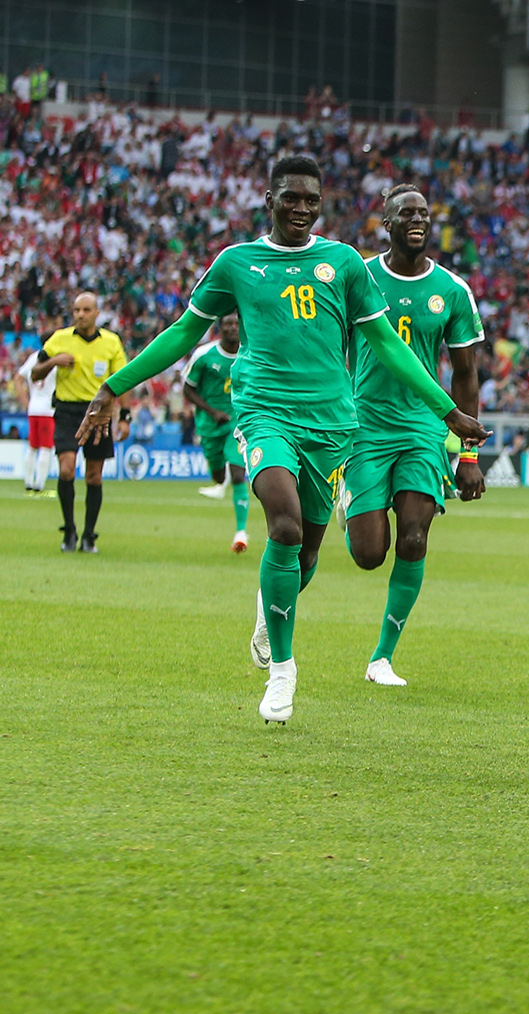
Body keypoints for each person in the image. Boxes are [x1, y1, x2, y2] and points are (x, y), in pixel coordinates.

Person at [78, 155, 487, 724]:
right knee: (286, 527)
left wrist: (448, 412)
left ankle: (269, 608)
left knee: (308, 552)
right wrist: (113, 387)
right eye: (290, 198)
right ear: (269, 202)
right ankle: (283, 672)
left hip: (332, 424)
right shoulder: (236, 263)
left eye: (310, 200)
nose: (300, 208)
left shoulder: (343, 263)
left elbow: (388, 346)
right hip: (265, 413)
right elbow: (182, 333)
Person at [341, 185, 489, 688]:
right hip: (364, 424)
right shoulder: (358, 276)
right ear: (387, 223)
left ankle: (382, 657)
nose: (418, 220)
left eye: (424, 213)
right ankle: (350, 500)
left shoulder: (452, 290)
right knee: (368, 554)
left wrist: (468, 456)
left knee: (414, 537)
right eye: (406, 213)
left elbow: (465, 375)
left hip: (424, 428)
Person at [33, 292, 127, 552]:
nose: (80, 315)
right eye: (76, 310)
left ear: (97, 313)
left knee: (94, 476)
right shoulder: (59, 339)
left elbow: (123, 379)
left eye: (86, 310)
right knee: (66, 469)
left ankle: (88, 536)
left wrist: (125, 416)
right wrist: (54, 361)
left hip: (98, 412)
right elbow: (35, 373)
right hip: (67, 411)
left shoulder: (111, 342)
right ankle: (69, 532)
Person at [180, 314, 251, 551]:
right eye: (228, 323)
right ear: (219, 327)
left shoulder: (251, 353)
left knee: (238, 474)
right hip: (210, 424)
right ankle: (220, 479)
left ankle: (241, 533)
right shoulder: (204, 355)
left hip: (238, 422)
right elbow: (188, 389)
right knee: (218, 475)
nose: (232, 328)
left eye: (236, 323)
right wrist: (212, 412)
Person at [17, 339, 57, 498]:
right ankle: (39, 486)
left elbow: (18, 378)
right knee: (46, 448)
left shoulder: (33, 357)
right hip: (48, 409)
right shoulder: (56, 359)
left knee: (32, 447)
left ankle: (28, 484)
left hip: (33, 408)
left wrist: (25, 401)